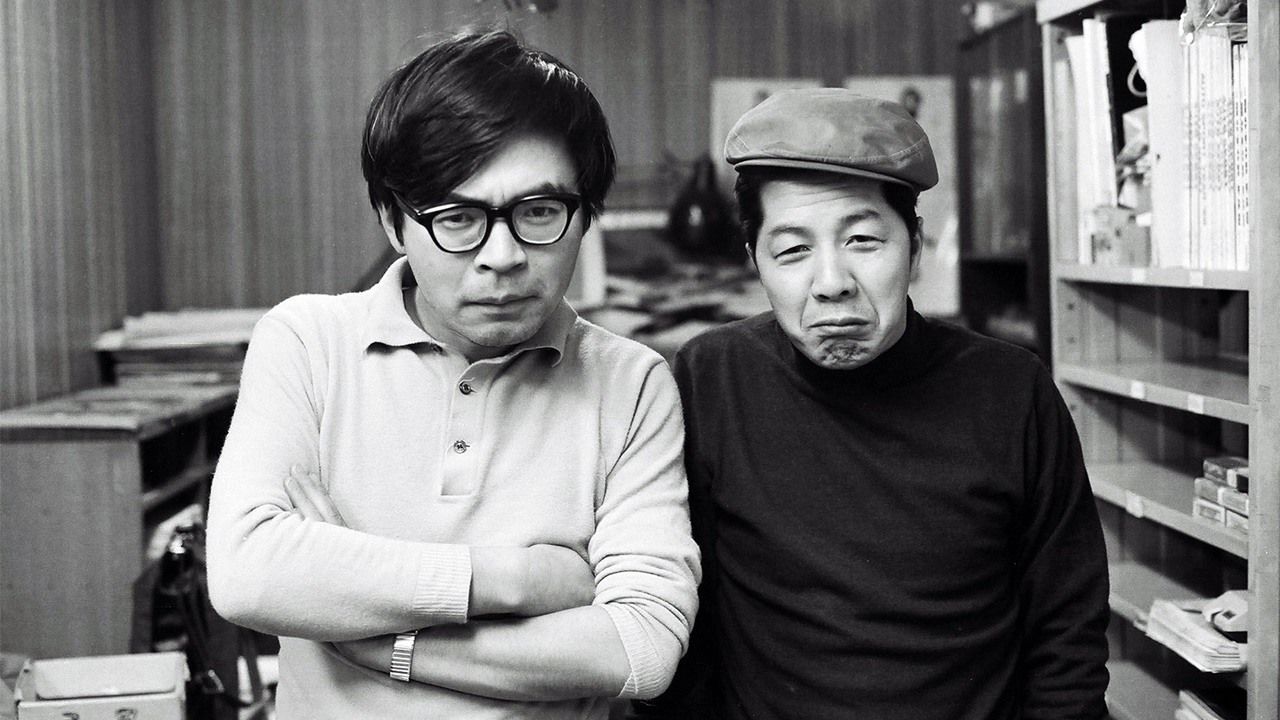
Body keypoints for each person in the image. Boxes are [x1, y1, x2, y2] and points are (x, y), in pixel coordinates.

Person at [206, 30, 700, 719]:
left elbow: (640, 649)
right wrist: (517, 580)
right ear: (392, 221)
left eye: (538, 212)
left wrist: (377, 640)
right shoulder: (307, 342)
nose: (502, 256)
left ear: (585, 214)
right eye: (458, 217)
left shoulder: (633, 383)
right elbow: (248, 573)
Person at [641, 89, 1109, 719]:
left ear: (914, 244)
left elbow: (1067, 636)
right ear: (755, 261)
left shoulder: (1012, 391)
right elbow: (677, 619)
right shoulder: (711, 379)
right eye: (792, 250)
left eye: (863, 240)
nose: (832, 283)